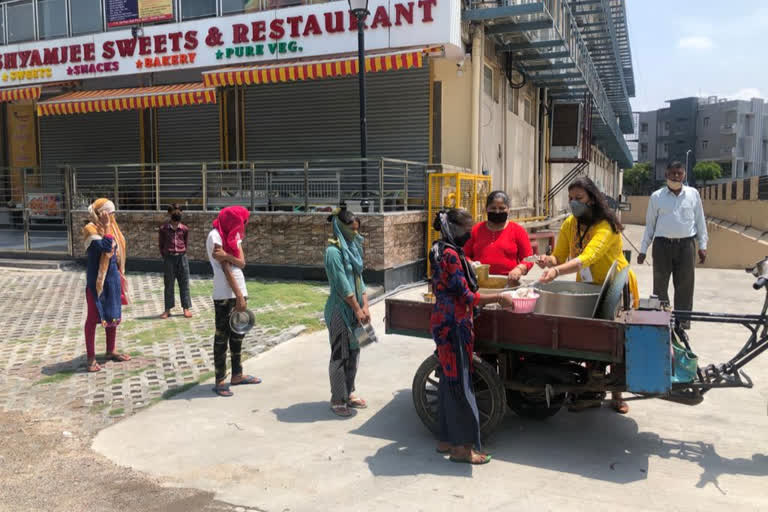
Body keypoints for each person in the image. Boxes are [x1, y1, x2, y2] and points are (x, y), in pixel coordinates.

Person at [536, 177, 638, 414]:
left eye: (579, 198)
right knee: (590, 339)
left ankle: (617, 394)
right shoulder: (570, 224)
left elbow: (588, 257)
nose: (573, 203)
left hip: (614, 287)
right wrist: (548, 261)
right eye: (570, 199)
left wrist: (557, 271)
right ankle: (591, 391)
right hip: (587, 287)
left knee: (615, 341)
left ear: (591, 198)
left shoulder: (606, 226)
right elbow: (559, 256)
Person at [430, 208, 515, 464]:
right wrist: (499, 298)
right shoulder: (451, 256)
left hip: (442, 319)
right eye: (466, 228)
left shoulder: (439, 249)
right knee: (460, 384)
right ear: (453, 228)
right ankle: (461, 450)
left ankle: (445, 439)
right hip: (455, 324)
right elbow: (467, 297)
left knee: (448, 380)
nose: (470, 232)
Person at [638, 161, 708, 329]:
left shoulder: (693, 194)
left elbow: (700, 221)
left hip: (686, 245)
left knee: (685, 285)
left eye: (679, 173)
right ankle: (663, 322)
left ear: (684, 175)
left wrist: (702, 245)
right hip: (662, 246)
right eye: (673, 173)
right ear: (666, 175)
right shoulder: (656, 197)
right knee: (660, 285)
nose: (676, 176)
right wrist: (643, 250)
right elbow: (650, 225)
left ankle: (682, 323)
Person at [206, 206, 261, 397]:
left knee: (238, 333)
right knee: (222, 336)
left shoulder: (233, 236)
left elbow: (242, 263)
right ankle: (220, 379)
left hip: (239, 290)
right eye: (242, 222)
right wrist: (238, 295)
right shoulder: (215, 236)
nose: (243, 226)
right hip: (224, 293)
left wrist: (229, 256)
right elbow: (226, 269)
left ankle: (237, 374)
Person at [324, 207, 369, 417]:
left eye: (357, 229)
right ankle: (337, 399)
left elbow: (360, 279)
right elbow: (343, 285)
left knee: (355, 352)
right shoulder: (333, 252)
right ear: (341, 228)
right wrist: (357, 308)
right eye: (351, 229)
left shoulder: (353, 247)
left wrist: (366, 305)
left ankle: (349, 392)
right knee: (340, 354)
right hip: (341, 311)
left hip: (358, 310)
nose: (355, 233)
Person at [82, 198, 131, 372]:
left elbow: (119, 249)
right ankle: (90, 358)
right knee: (93, 317)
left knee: (113, 315)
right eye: (110, 214)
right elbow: (106, 246)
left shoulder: (112, 228)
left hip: (112, 279)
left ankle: (111, 350)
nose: (112, 217)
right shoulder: (91, 229)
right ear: (101, 214)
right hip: (97, 282)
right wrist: (106, 226)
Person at [464, 190, 534, 285]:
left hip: (508, 283)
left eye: (502, 208)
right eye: (493, 208)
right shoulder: (475, 230)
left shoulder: (518, 231)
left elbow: (528, 258)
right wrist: (471, 264)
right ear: (486, 209)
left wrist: (519, 269)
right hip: (478, 283)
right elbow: (464, 255)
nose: (497, 212)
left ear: (508, 209)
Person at [158, 204, 192, 319]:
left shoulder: (184, 229)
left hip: (182, 257)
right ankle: (167, 309)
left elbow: (186, 243)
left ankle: (186, 308)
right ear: (171, 217)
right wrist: (167, 255)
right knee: (169, 284)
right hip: (169, 258)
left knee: (184, 283)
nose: (177, 224)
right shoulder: (163, 229)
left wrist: (182, 252)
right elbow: (161, 245)